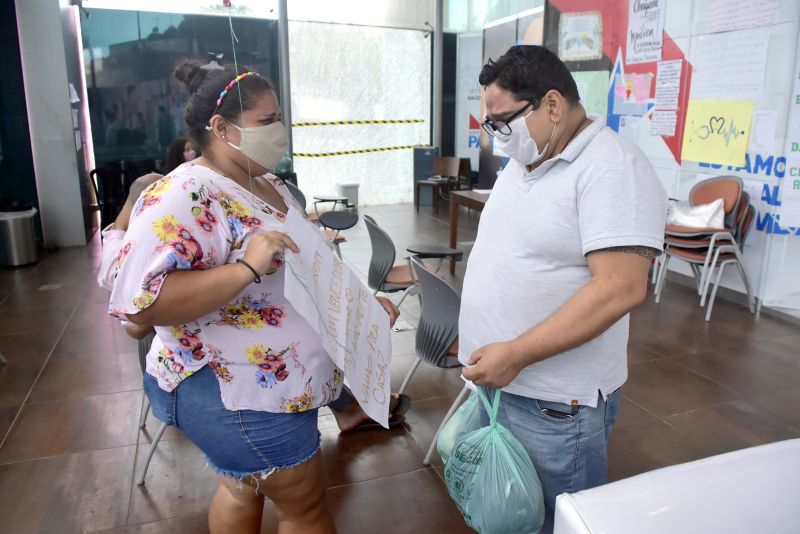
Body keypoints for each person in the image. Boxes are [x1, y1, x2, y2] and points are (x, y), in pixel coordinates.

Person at [108, 59, 400, 533]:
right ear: (221, 128)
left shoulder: (263, 181)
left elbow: (305, 266)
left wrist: (361, 307)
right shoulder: (186, 193)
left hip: (274, 389)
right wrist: (244, 268)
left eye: (279, 117)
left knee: (242, 487)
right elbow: (143, 303)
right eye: (267, 120)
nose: (279, 131)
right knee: (305, 511)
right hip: (241, 395)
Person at [459, 45, 668, 532]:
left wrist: (517, 352)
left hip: (553, 404)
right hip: (500, 382)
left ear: (552, 104)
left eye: (503, 122)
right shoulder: (529, 159)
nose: (496, 136)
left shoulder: (613, 167)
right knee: (509, 512)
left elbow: (620, 289)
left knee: (559, 520)